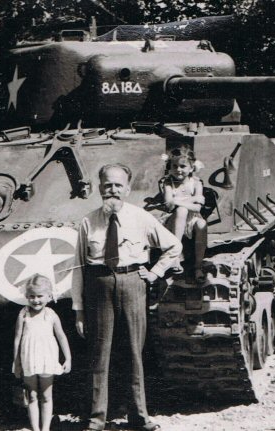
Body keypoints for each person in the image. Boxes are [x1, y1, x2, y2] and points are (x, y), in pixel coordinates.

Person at [72, 163, 182, 431]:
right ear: (99, 189)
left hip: (134, 283)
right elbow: (78, 268)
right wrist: (78, 310)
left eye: (118, 185)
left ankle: (139, 417)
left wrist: (155, 272)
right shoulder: (88, 221)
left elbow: (173, 245)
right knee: (100, 354)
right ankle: (96, 419)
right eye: (108, 185)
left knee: (134, 352)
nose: (113, 190)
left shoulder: (141, 218)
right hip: (99, 285)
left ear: (128, 189)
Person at [13, 275, 72, 431]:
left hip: (47, 359)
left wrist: (68, 358)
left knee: (46, 396)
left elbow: (61, 336)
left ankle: (45, 428)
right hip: (29, 359)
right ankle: (35, 429)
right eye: (31, 296)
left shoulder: (51, 314)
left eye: (40, 296)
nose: (36, 300)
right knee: (31, 396)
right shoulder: (23, 314)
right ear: (26, 296)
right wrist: (16, 362)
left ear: (49, 296)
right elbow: (17, 339)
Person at [160, 145, 207, 281]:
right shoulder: (168, 183)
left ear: (191, 168)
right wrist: (191, 199)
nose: (178, 170)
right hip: (173, 220)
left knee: (202, 223)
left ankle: (198, 266)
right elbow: (169, 205)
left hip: (192, 219)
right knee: (181, 210)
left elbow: (197, 208)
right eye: (174, 166)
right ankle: (175, 256)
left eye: (182, 166)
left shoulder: (196, 183)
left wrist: (176, 201)